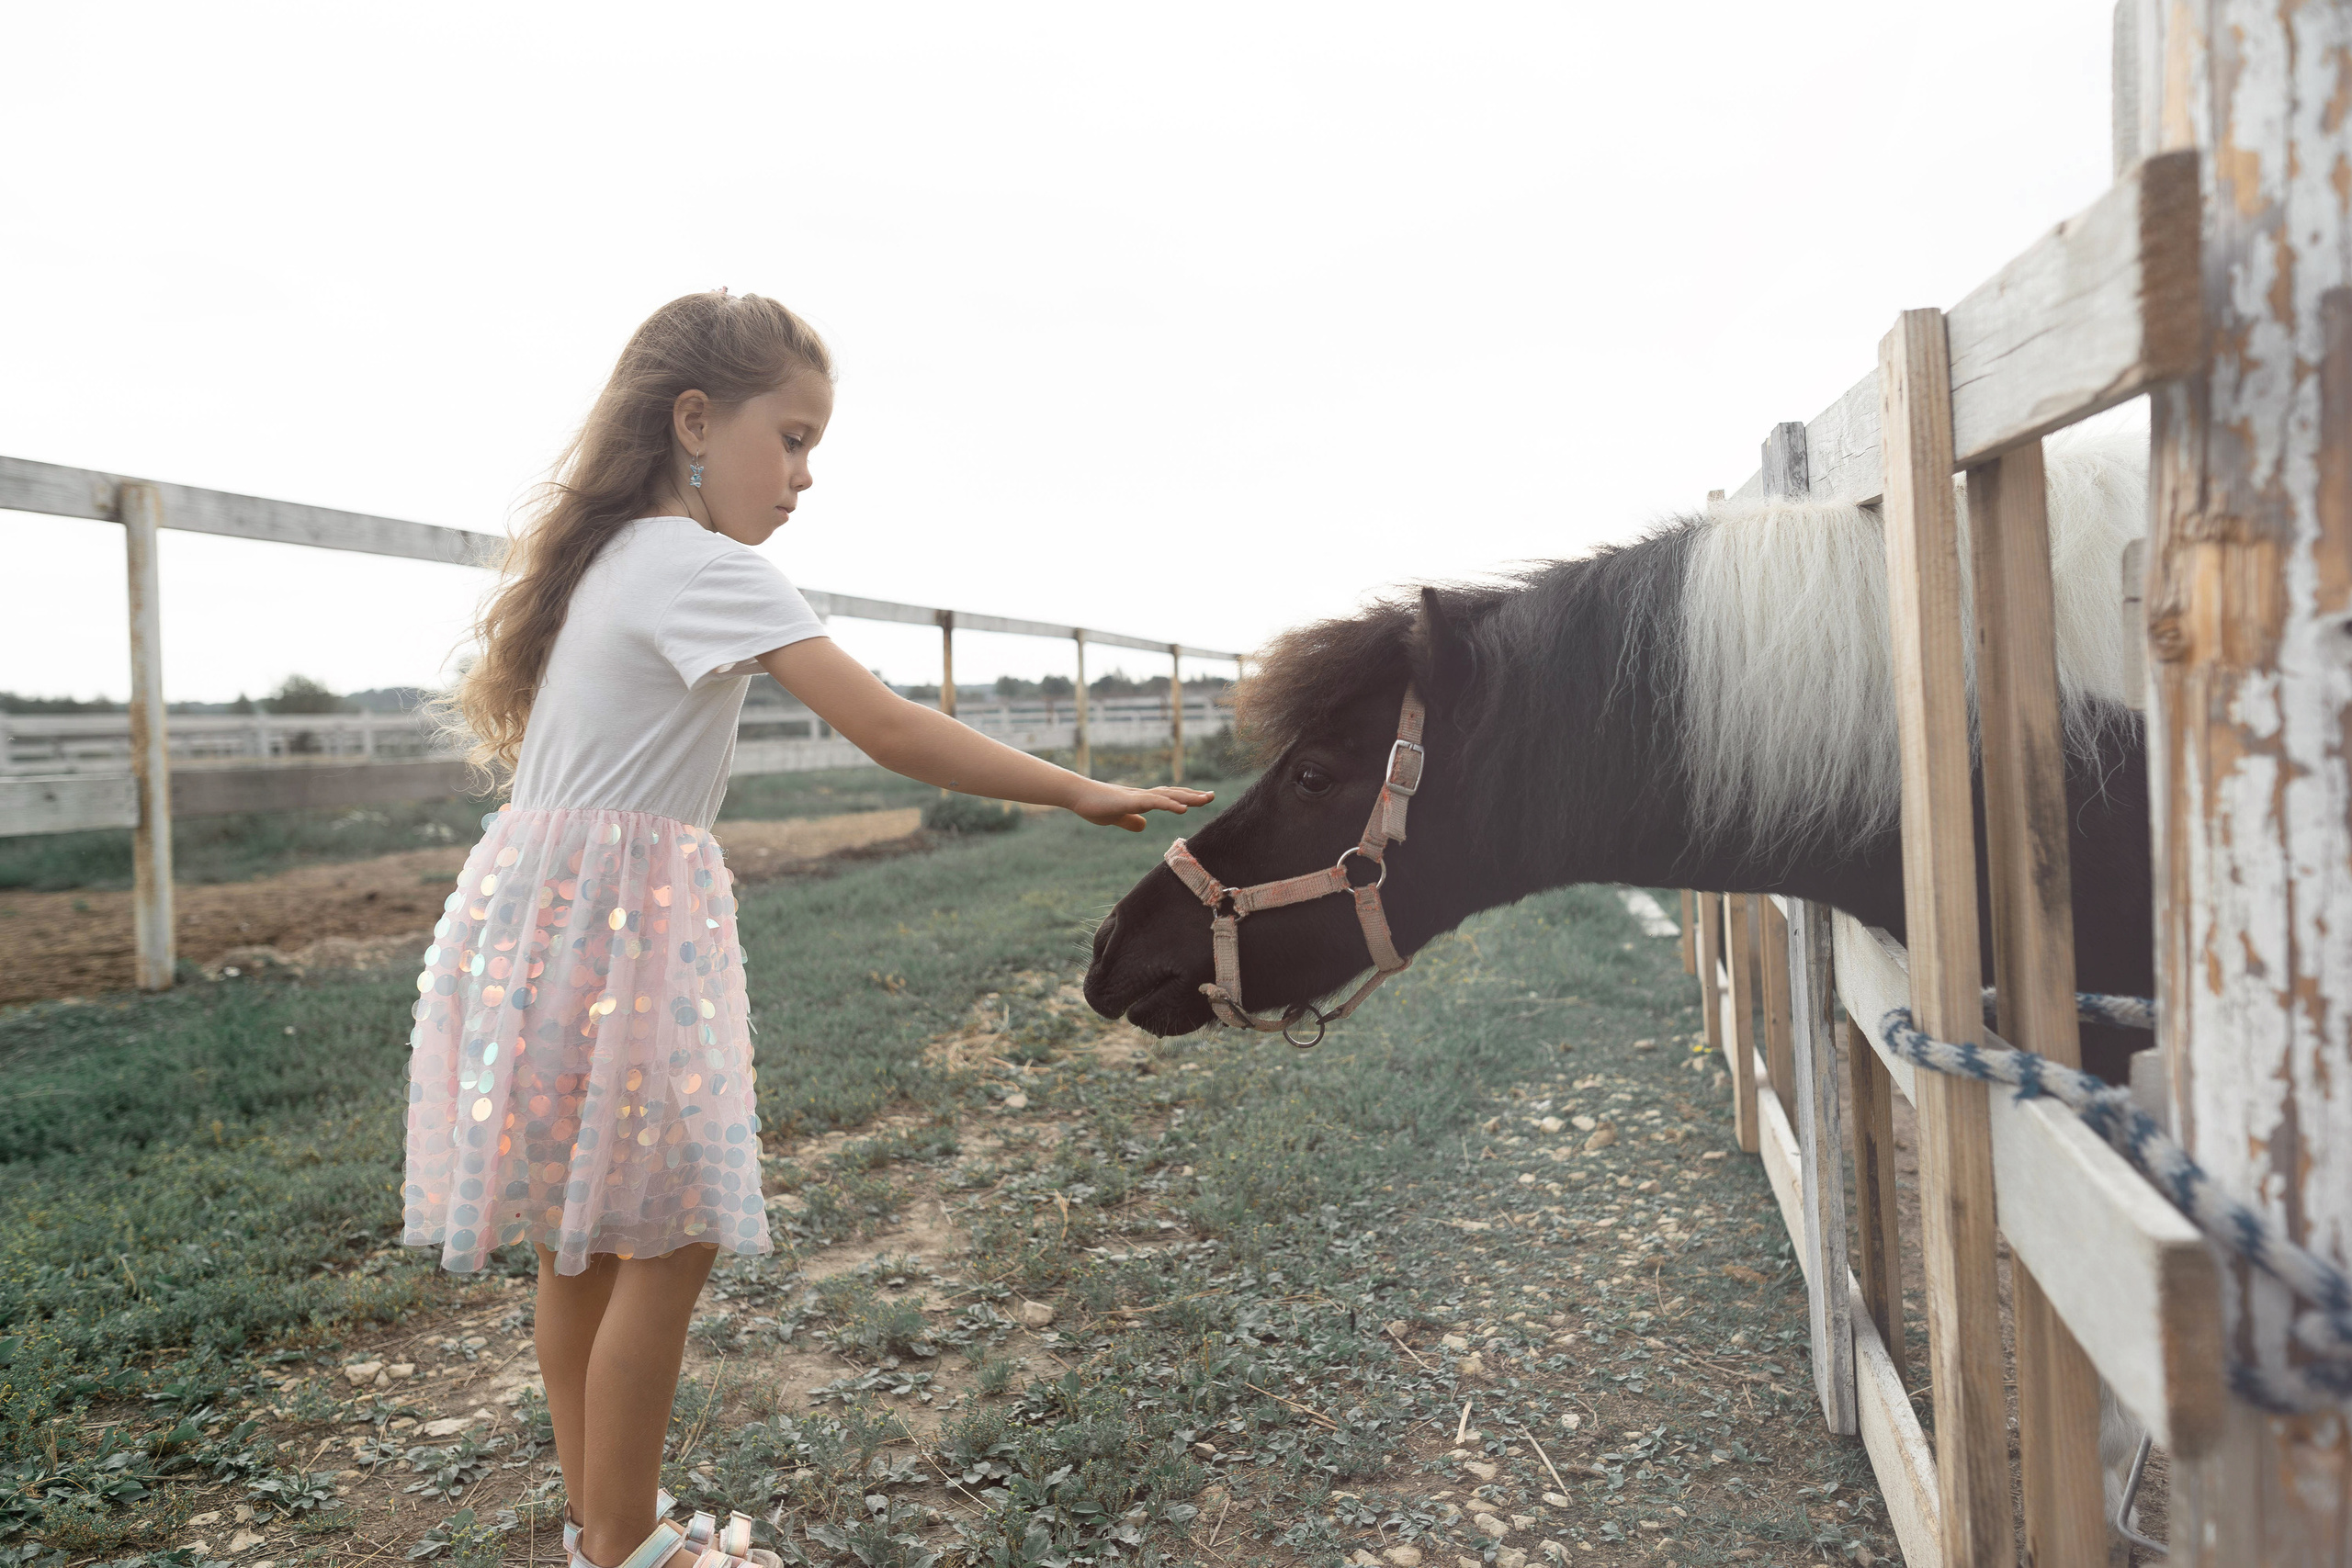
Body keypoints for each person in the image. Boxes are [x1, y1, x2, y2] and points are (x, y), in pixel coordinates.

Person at [404, 289, 1210, 1568]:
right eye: (789, 437)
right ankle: (627, 1545)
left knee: (587, 1238)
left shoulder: (613, 558)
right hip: (618, 926)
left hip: (537, 915)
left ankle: (599, 1529)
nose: (804, 474)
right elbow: (887, 726)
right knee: (669, 1233)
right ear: (692, 423)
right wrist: (1073, 784)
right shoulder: (708, 568)